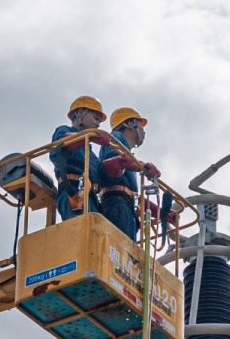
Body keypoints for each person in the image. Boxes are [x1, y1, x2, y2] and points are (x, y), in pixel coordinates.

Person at [94, 106, 169, 240]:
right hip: (117, 206)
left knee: (126, 250)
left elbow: (132, 196)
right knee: (121, 249)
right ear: (130, 124)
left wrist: (162, 213)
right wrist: (143, 166)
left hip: (125, 207)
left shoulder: (127, 155)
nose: (144, 131)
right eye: (141, 125)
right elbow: (114, 166)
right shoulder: (116, 138)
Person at [44, 94, 109, 218]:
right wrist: (92, 136)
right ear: (80, 113)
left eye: (99, 121)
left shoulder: (90, 155)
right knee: (81, 228)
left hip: (91, 197)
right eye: (96, 118)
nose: (98, 124)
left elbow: (103, 172)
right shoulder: (63, 131)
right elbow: (62, 146)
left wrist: (122, 162)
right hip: (73, 192)